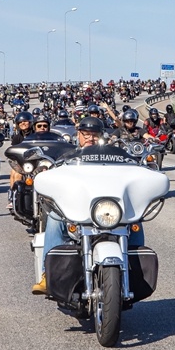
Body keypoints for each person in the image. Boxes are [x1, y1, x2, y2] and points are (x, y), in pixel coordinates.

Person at [32, 116, 144, 295]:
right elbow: (56, 174)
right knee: (54, 218)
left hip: (107, 210)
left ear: (102, 136)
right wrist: (47, 171)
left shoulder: (114, 157)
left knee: (136, 220)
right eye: (86, 134)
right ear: (78, 134)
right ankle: (48, 274)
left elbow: (128, 172)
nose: (90, 138)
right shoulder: (68, 156)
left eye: (95, 134)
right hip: (77, 210)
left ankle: (137, 271)